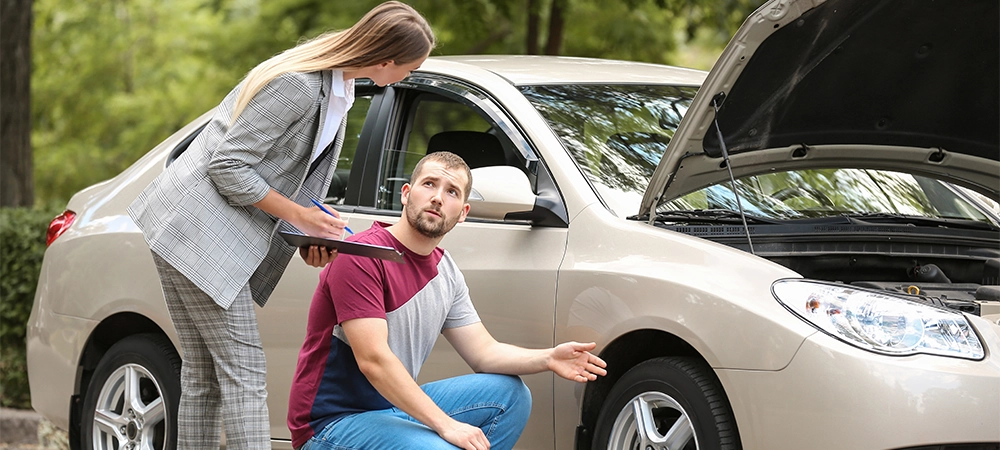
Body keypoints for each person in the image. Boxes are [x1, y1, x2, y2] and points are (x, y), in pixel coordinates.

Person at [126, 3, 435, 449]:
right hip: (196, 233)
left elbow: (284, 173)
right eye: (410, 68)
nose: (407, 77)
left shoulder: (338, 90)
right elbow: (228, 164)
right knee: (244, 369)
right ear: (386, 60)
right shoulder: (300, 85)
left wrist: (314, 229)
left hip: (187, 228)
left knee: (204, 375)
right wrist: (298, 215)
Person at [287, 151, 609, 450]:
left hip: (391, 409)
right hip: (333, 424)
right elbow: (374, 361)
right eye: (429, 184)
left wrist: (549, 358)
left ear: (463, 213)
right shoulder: (363, 256)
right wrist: (447, 426)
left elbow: (484, 353)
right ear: (406, 194)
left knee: (512, 395)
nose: (438, 197)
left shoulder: (445, 270)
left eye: (452, 192)